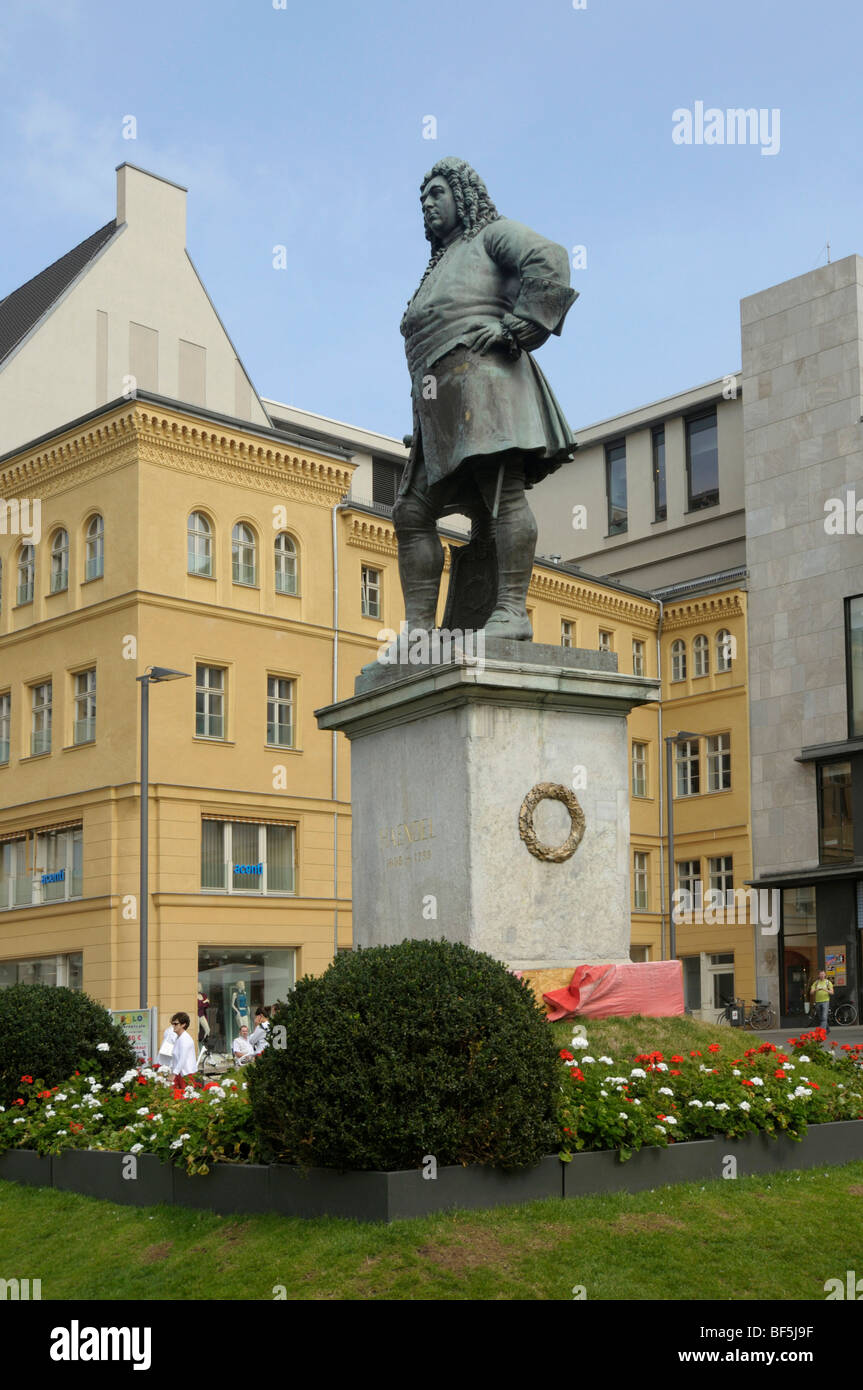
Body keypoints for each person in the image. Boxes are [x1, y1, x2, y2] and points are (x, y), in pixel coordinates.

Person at [393, 155, 577, 642]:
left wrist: (520, 325)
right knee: (411, 513)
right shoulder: (437, 266)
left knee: (502, 493)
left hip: (486, 384)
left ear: (462, 195)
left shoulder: (490, 236)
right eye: (422, 198)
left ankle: (512, 610)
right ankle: (418, 633)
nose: (427, 203)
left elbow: (551, 258)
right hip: (439, 407)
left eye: (437, 193)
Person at [171, 1011, 197, 1087]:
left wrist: (174, 1074)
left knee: (185, 1096)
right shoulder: (179, 1038)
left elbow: (182, 1058)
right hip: (180, 1073)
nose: (173, 1026)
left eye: (176, 1024)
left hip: (187, 1074)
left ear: (183, 1024)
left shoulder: (185, 1039)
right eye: (173, 1024)